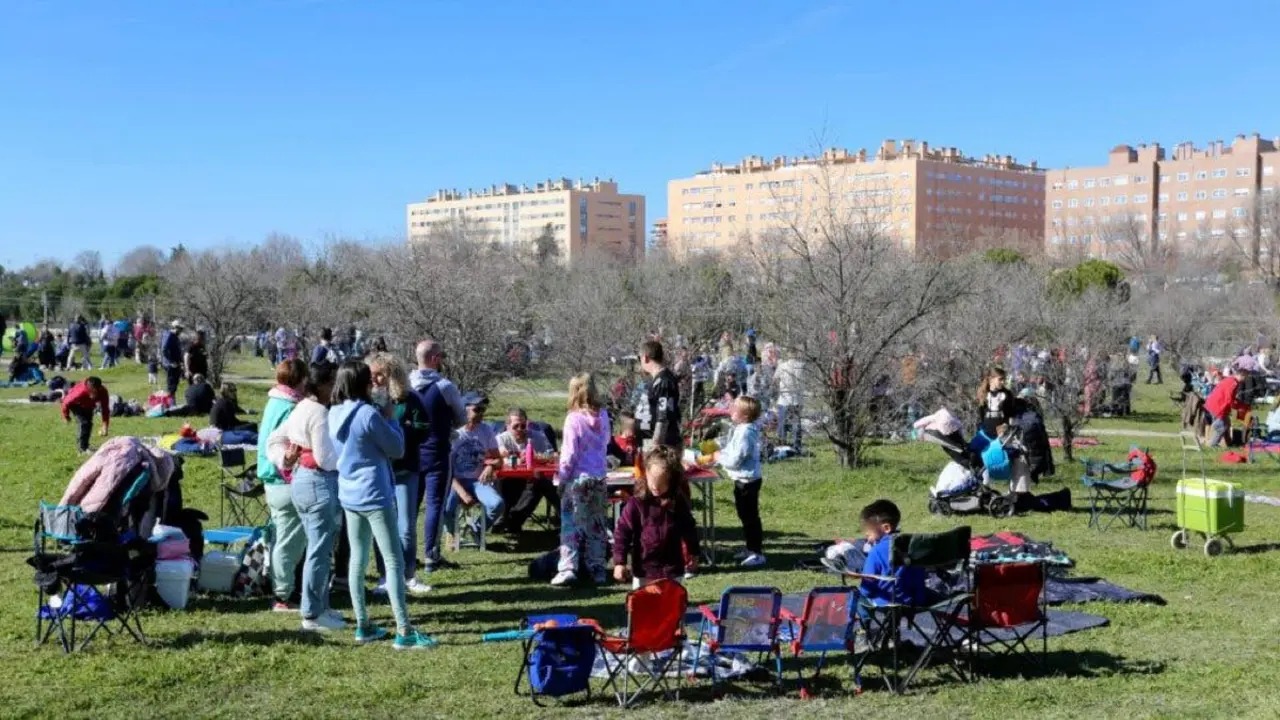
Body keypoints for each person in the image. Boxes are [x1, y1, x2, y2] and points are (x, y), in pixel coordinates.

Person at [328, 360, 436, 649]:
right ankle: (404, 630)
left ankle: (363, 624)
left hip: (349, 493)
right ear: (363, 384)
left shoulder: (334, 412)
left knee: (358, 559)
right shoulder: (367, 415)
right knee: (394, 560)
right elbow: (397, 449)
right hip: (374, 493)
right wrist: (390, 418)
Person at [266, 361, 344, 633]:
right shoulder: (320, 412)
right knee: (319, 551)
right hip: (318, 483)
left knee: (317, 548)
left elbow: (273, 441)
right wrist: (352, 460)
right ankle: (312, 613)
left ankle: (320, 606)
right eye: (333, 383)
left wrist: (285, 461)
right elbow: (325, 458)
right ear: (322, 385)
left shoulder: (300, 407)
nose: (336, 388)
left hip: (301, 481)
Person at [366, 352, 432, 597]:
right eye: (371, 375)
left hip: (406, 470)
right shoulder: (367, 401)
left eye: (380, 374)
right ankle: (385, 576)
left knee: (405, 525)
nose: (375, 379)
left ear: (393, 375)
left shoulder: (410, 399)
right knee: (381, 525)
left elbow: (424, 429)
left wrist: (398, 432)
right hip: (380, 471)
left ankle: (408, 575)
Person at [409, 339, 466, 574]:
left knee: (410, 506)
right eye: (440, 356)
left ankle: (407, 554)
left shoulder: (406, 384)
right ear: (434, 359)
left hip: (411, 453)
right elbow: (462, 419)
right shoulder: (445, 387)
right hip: (437, 452)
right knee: (435, 504)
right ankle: (432, 555)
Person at [257, 359, 310, 612]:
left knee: (282, 537)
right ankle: (282, 595)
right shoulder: (292, 407)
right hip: (284, 479)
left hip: (271, 478)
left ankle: (284, 588)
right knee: (289, 542)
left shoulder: (273, 402)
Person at [552, 373, 611, 587]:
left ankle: (568, 567)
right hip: (598, 477)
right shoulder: (603, 416)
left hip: (577, 479)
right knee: (597, 525)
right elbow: (606, 443)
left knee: (571, 524)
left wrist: (562, 479)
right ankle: (597, 568)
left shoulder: (573, 419)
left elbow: (569, 454)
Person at [612, 446, 700, 588]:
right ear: (646, 473)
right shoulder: (636, 503)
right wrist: (619, 562)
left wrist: (693, 553)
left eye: (662, 483)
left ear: (671, 480)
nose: (656, 487)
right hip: (644, 570)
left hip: (672, 570)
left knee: (671, 607)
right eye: (653, 482)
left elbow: (689, 528)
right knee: (642, 607)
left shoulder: (677, 502)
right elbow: (622, 533)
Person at [442, 393, 505, 549]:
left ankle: (476, 529)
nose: (481, 413)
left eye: (483, 410)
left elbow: (499, 460)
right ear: (464, 410)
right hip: (454, 481)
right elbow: (445, 468)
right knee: (446, 508)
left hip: (478, 481)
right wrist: (463, 493)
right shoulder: (453, 432)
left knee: (497, 504)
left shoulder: (486, 430)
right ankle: (451, 534)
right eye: (477, 409)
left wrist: (490, 466)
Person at [716, 396, 766, 568]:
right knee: (744, 515)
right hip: (741, 480)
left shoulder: (746, 432)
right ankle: (750, 548)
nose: (730, 410)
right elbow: (729, 452)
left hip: (748, 481)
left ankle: (757, 552)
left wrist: (719, 457)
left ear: (744, 415)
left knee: (750, 517)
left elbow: (735, 459)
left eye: (735, 408)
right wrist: (717, 455)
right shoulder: (740, 429)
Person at [855, 500, 926, 614]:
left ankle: (865, 629)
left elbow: (867, 590)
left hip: (887, 603)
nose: (866, 537)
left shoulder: (876, 552)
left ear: (886, 528)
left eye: (869, 534)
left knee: (857, 597)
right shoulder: (912, 545)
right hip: (917, 602)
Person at [494, 407, 557, 534]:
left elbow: (553, 455)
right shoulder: (502, 438)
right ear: (507, 426)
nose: (520, 430)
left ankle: (514, 520)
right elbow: (500, 454)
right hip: (510, 478)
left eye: (523, 426)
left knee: (540, 483)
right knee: (501, 481)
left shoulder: (537, 437)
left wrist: (538, 457)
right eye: (515, 426)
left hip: (532, 477)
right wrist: (514, 455)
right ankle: (503, 516)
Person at [639, 340, 682, 450]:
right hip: (651, 440)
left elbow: (663, 416)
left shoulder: (664, 382)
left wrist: (656, 445)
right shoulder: (658, 380)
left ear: (645, 358)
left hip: (664, 445)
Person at [61, 376, 110, 453]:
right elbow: (66, 402)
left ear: (99, 388)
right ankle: (81, 449)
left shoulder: (103, 392)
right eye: (92, 391)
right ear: (88, 388)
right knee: (83, 423)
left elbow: (105, 409)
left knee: (89, 424)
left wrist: (105, 425)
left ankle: (86, 446)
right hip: (75, 405)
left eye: (96, 392)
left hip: (89, 406)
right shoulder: (79, 392)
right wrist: (66, 416)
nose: (94, 394)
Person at [1205, 367, 1249, 447]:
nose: (1245, 379)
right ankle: (1213, 444)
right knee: (1221, 427)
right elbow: (1229, 399)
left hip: (1215, 403)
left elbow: (1231, 397)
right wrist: (1238, 409)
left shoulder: (1231, 379)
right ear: (1242, 375)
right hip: (1218, 406)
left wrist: (1240, 404)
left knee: (1227, 423)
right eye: (1246, 377)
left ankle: (1229, 443)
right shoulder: (1233, 383)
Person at [775, 351, 806, 451]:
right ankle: (796, 444)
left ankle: (782, 443)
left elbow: (774, 379)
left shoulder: (782, 366)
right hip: (797, 399)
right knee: (795, 423)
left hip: (784, 398)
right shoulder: (801, 366)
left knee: (782, 423)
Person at [977, 367, 1014, 438]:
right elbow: (981, 415)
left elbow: (1011, 414)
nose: (1003, 382)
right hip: (985, 435)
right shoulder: (983, 393)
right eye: (1000, 379)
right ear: (991, 379)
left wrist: (1005, 425)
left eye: (1004, 379)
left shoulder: (1007, 394)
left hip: (1002, 436)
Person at [160, 320, 185, 396]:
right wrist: (171, 362)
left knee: (174, 385)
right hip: (170, 365)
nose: (181, 331)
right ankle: (171, 404)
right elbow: (164, 350)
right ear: (175, 327)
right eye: (180, 328)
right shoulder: (169, 335)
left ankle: (172, 401)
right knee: (171, 385)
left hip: (176, 363)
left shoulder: (174, 336)